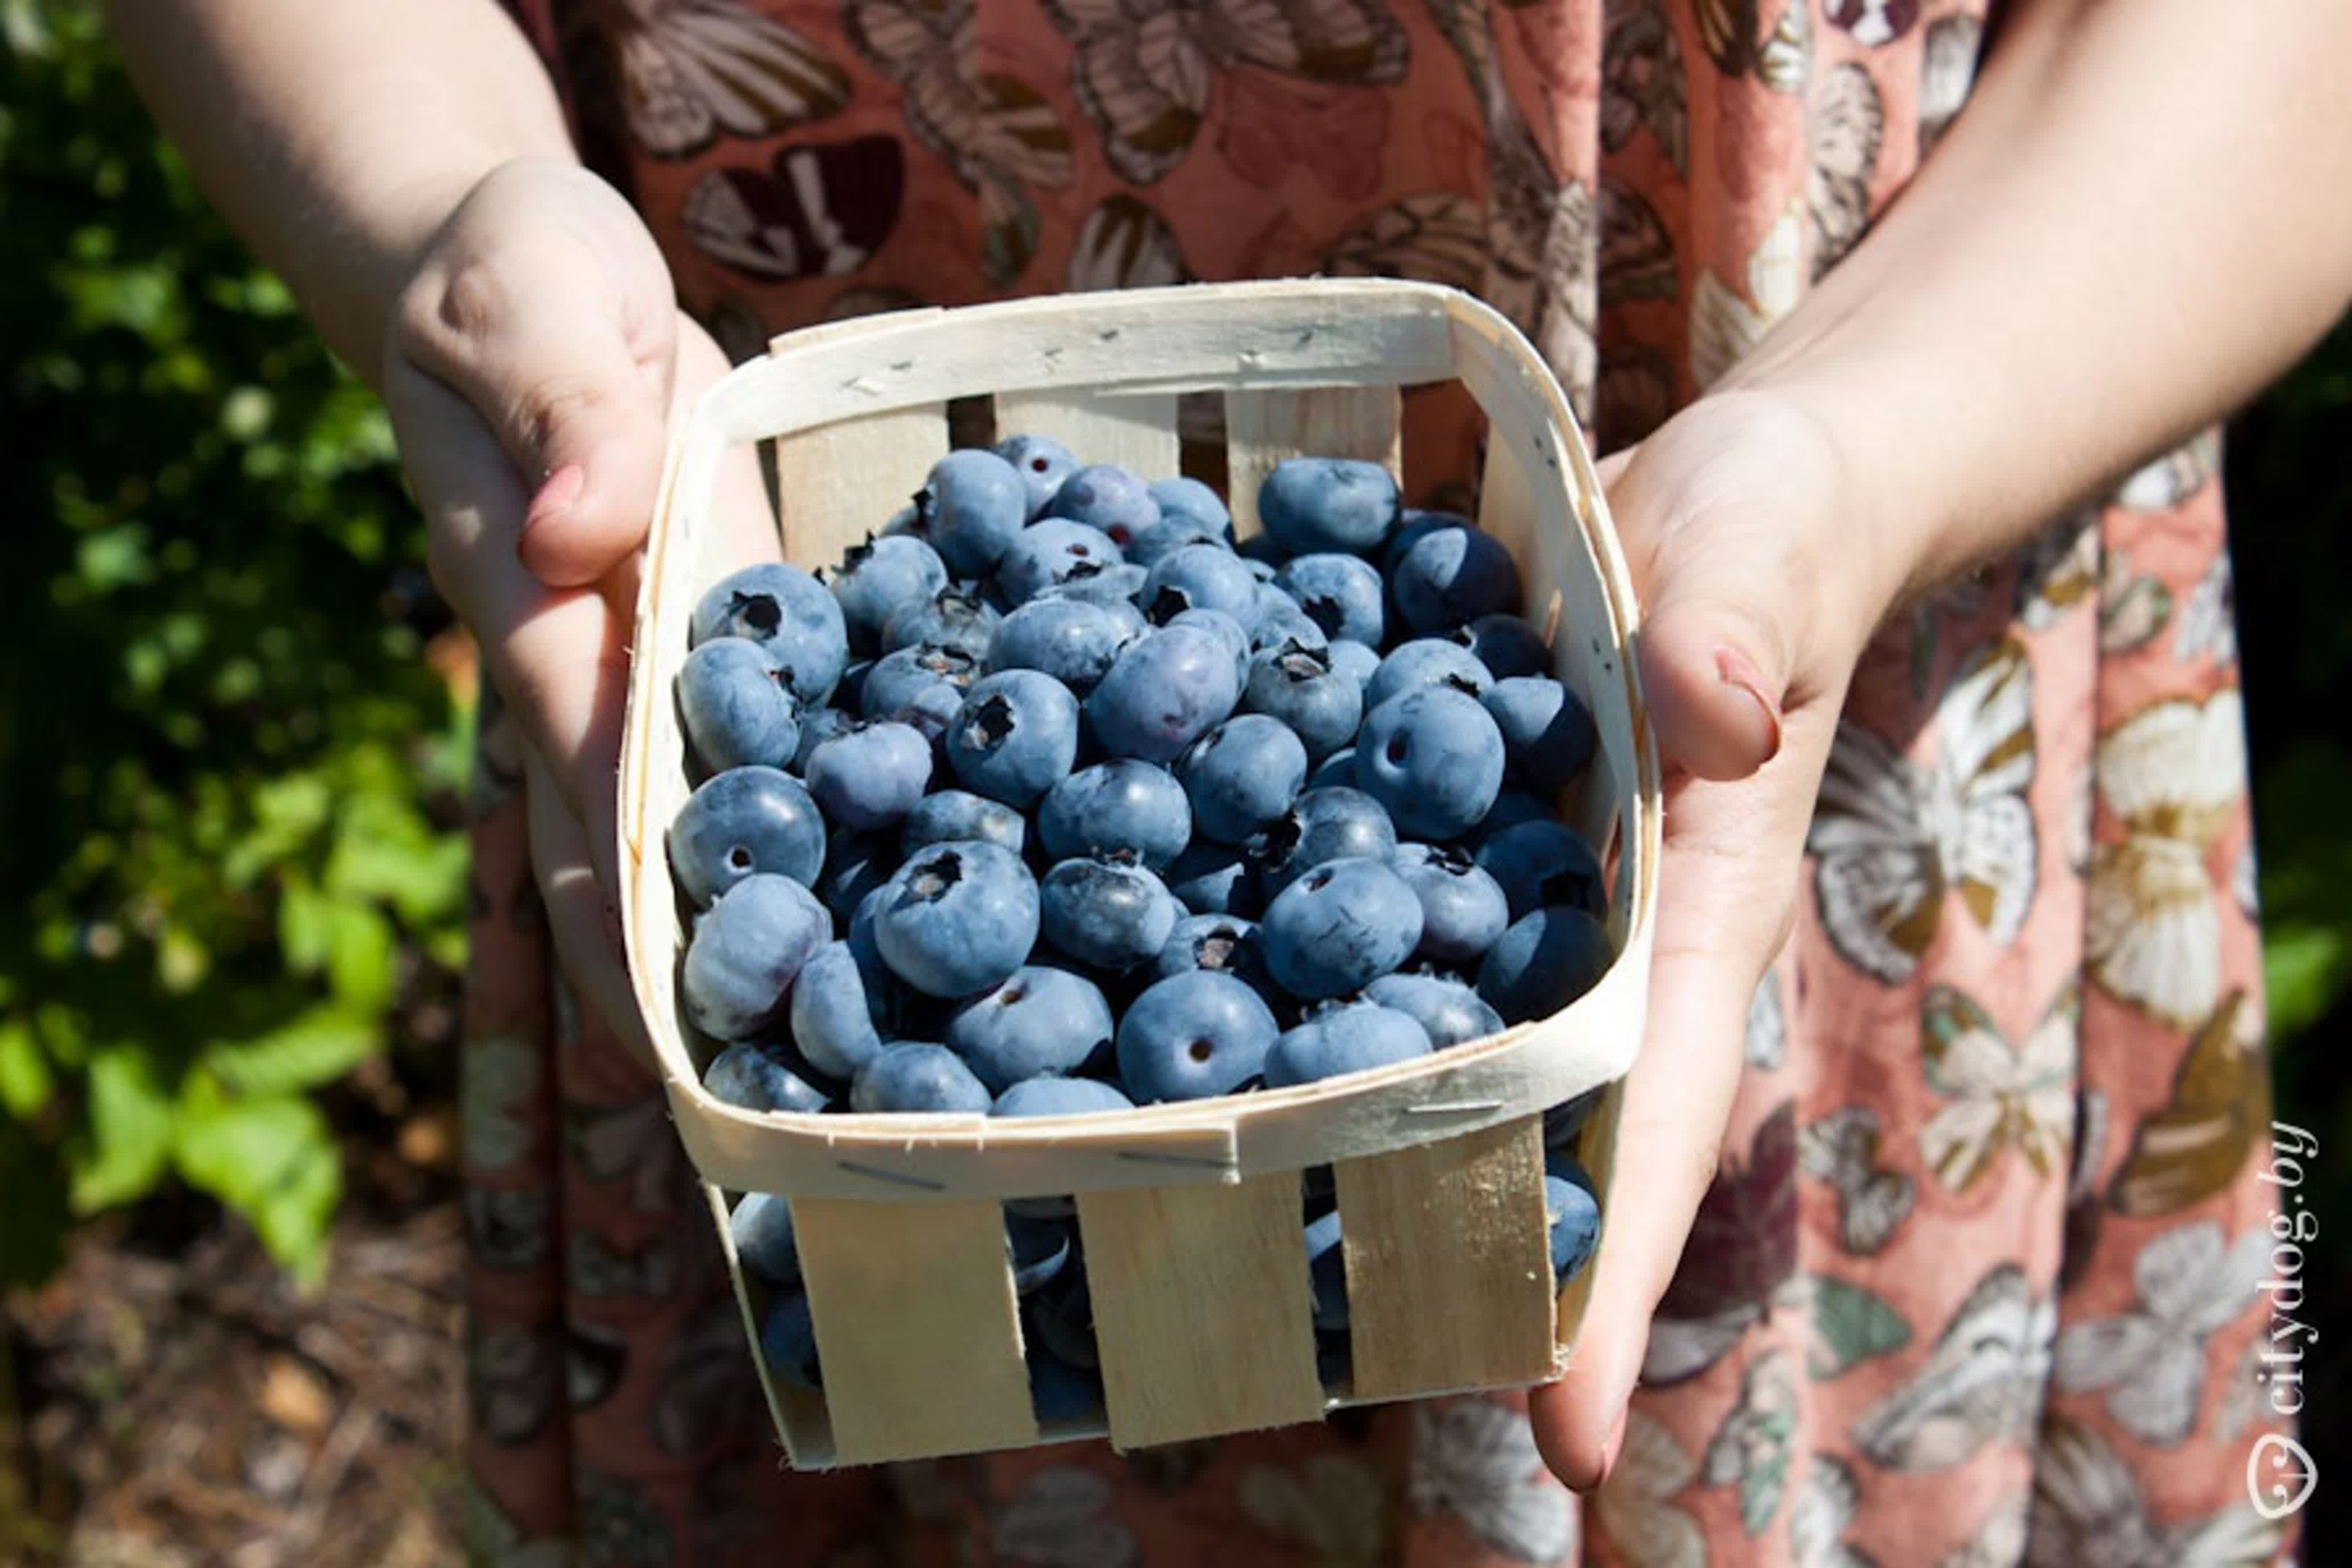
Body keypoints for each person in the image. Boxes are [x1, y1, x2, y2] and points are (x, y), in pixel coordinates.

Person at [109, 0, 2339, 1561]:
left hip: (1818, 631)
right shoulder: (927, 759)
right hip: (735, 587)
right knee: (944, 1307)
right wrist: (439, 219)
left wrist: (1855, 455)